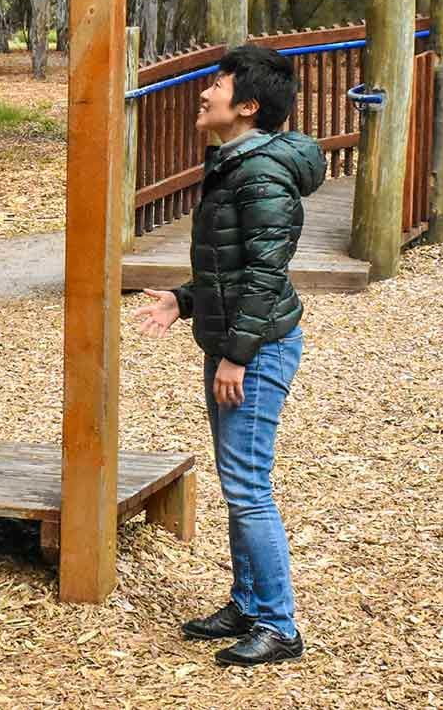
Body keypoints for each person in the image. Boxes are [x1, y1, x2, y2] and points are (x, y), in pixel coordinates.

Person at [134, 45, 323, 667]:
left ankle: (279, 625)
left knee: (247, 487)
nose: (204, 92)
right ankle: (249, 602)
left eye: (216, 84)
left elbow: (268, 273)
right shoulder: (238, 163)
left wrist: (237, 355)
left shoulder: (261, 173)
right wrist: (184, 302)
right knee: (239, 480)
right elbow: (232, 264)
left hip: (257, 348)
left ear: (246, 105)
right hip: (236, 339)